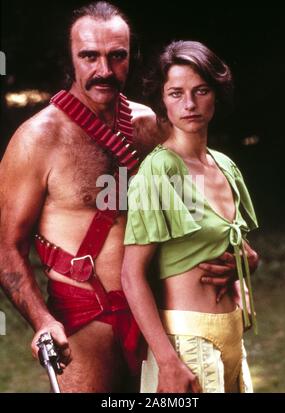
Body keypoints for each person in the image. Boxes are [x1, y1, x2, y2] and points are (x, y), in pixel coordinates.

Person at [0, 2, 258, 392]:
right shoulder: (37, 140)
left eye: (116, 56)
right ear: (70, 58)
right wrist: (43, 320)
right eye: (89, 56)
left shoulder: (152, 125)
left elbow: (200, 205)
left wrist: (240, 256)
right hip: (85, 320)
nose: (103, 70)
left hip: (160, 311)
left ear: (130, 57)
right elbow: (7, 246)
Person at [122, 40, 259, 393]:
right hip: (187, 343)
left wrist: (247, 266)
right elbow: (131, 275)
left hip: (233, 336)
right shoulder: (158, 171)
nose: (189, 104)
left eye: (200, 91)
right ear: (162, 101)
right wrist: (167, 362)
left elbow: (234, 246)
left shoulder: (225, 166)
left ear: (216, 94)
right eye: (176, 92)